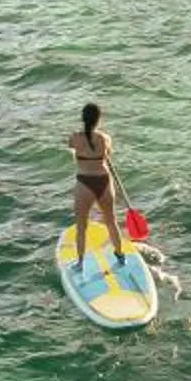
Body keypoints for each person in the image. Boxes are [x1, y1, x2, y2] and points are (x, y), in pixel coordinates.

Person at [67, 101, 128, 263]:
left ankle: (80, 261)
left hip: (84, 182)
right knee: (111, 221)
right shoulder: (105, 138)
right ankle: (120, 255)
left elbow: (72, 148)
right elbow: (107, 154)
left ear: (83, 119)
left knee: (81, 226)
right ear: (98, 119)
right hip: (103, 181)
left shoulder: (74, 138)